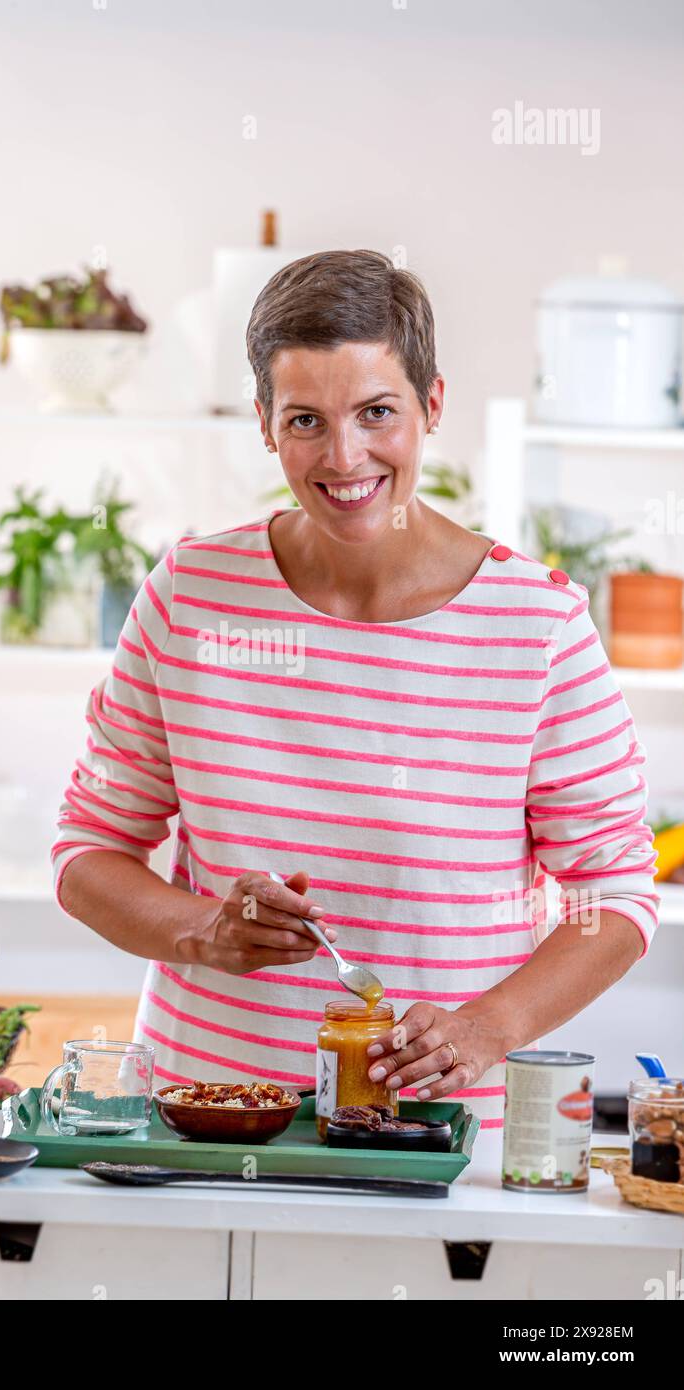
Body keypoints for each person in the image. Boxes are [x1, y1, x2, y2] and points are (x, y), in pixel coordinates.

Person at [52, 250, 659, 1128]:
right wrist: (205, 933)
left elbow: (616, 893)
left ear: (431, 405)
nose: (345, 458)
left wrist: (490, 1026)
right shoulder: (190, 595)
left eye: (378, 412)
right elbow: (88, 853)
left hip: (447, 1138)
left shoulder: (537, 626)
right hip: (200, 1119)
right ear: (264, 421)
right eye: (305, 420)